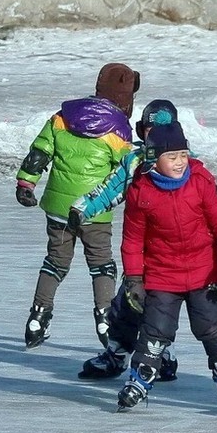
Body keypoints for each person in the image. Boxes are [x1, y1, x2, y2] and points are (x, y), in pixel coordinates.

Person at [115, 122, 217, 411]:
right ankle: (141, 377)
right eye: (171, 156)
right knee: (155, 330)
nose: (179, 162)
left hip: (204, 271)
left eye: (183, 155)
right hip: (162, 274)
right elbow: (132, 239)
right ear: (154, 158)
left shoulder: (199, 181)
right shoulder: (141, 191)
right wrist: (134, 278)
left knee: (212, 328)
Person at [15, 63, 139, 349]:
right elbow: (127, 170)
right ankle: (105, 318)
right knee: (101, 265)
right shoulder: (118, 128)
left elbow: (39, 152)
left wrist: (26, 184)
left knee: (56, 262)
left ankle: (38, 316)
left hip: (58, 207)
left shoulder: (62, 118)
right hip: (95, 209)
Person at [72, 99, 181, 381]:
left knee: (164, 309)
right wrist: (84, 209)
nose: (156, 135)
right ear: (140, 130)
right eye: (150, 129)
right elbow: (110, 189)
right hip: (141, 251)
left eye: (164, 129)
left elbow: (208, 206)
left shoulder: (185, 164)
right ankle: (117, 354)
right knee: (127, 305)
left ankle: (161, 356)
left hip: (178, 253)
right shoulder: (134, 161)